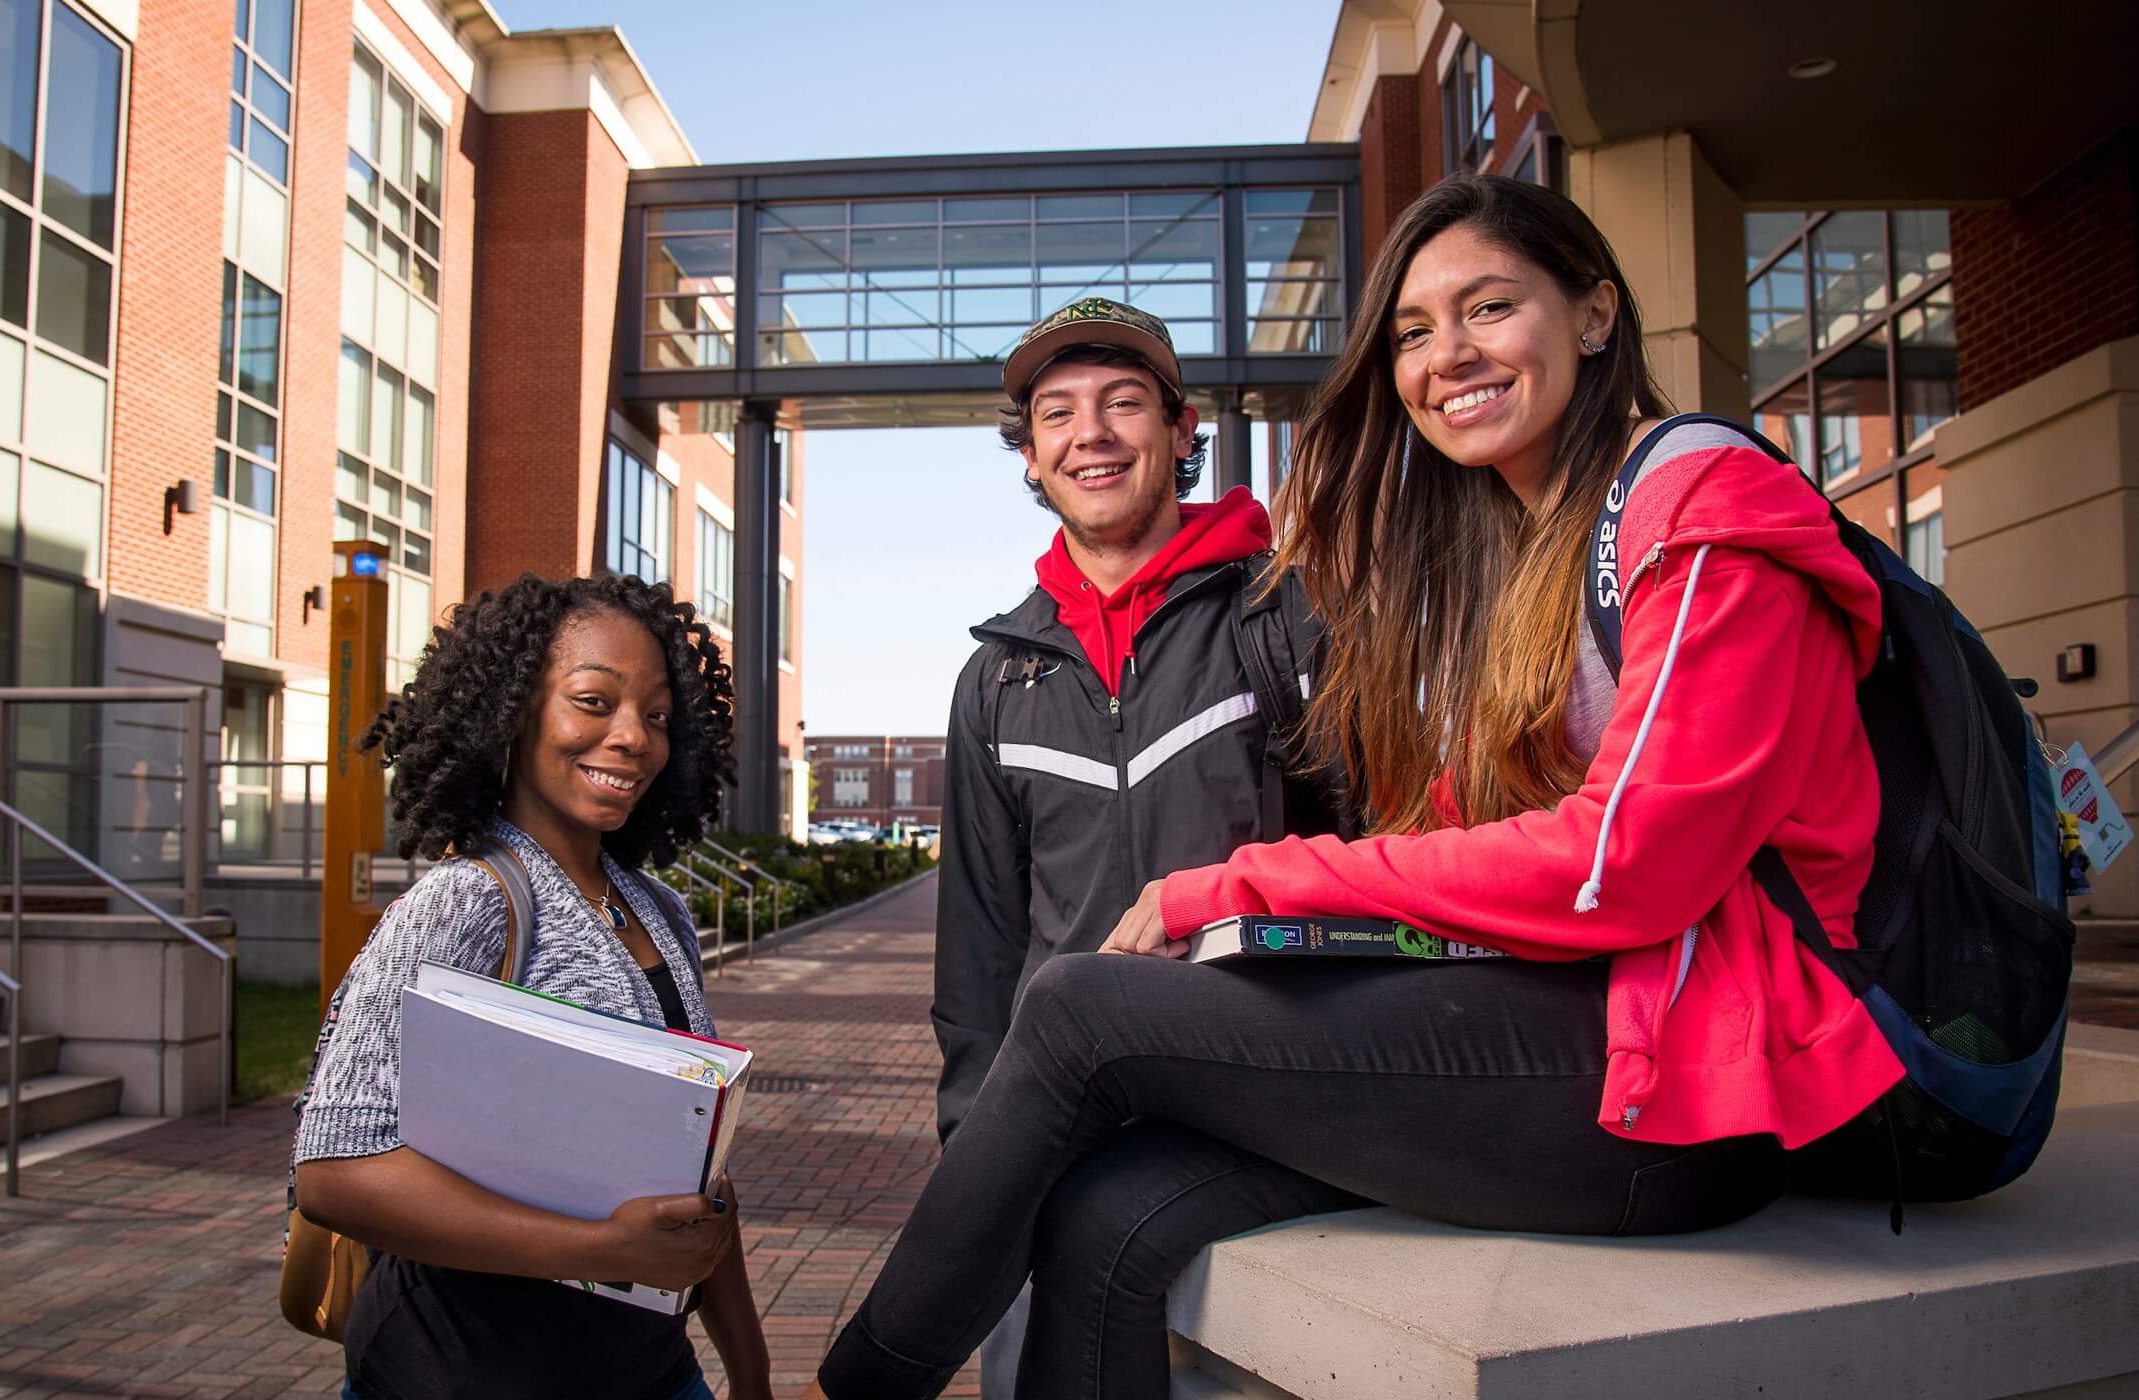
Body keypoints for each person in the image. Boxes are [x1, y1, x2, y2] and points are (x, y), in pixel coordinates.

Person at [810, 174, 1907, 1399]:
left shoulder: (1701, 499)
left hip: (1697, 1080)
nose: (1450, 355)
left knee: (1076, 1007)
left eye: (1489, 306)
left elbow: (1624, 862)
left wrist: (1241, 881)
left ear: (1595, 313)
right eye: (1414, 331)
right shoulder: (1530, 547)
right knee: (1103, 1213)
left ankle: (855, 1388)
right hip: (1571, 1034)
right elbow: (1454, 824)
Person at [934, 298, 1350, 1394]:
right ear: (1030, 455)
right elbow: (979, 949)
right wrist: (978, 1148)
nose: (1093, 433)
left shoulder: (1286, 620)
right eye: (1058, 412)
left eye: (1124, 402)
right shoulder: (997, 680)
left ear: (1181, 427)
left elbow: (1369, 858)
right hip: (1055, 1134)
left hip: (1248, 1120)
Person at [291, 573, 771, 1400]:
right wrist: (605, 1250)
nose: (633, 739)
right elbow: (334, 1169)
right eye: (594, 701)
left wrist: (752, 1375)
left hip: (650, 1371)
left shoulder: (658, 912)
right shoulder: (463, 903)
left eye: (657, 717)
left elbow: (697, 1178)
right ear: (513, 711)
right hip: (467, 1371)